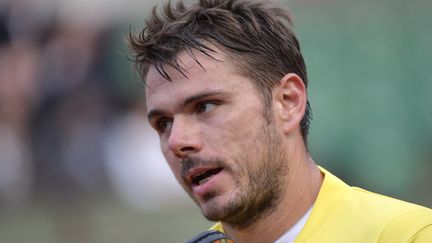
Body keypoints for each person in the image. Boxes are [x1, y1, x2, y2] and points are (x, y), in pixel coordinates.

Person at [128, 0, 432, 242]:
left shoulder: (410, 236)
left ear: (288, 102)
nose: (177, 141)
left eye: (205, 106)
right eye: (163, 124)